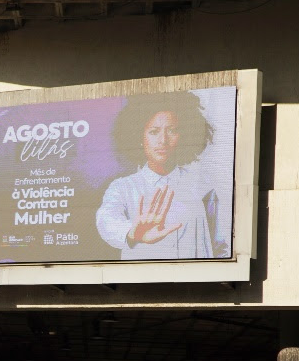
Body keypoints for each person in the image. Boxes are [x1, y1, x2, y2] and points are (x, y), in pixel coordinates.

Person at [95, 92, 226, 261]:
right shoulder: (123, 187)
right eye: (154, 132)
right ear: (140, 137)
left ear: (183, 135)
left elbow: (220, 244)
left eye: (172, 130)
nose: (163, 140)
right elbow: (106, 220)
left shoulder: (202, 185)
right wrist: (132, 233)